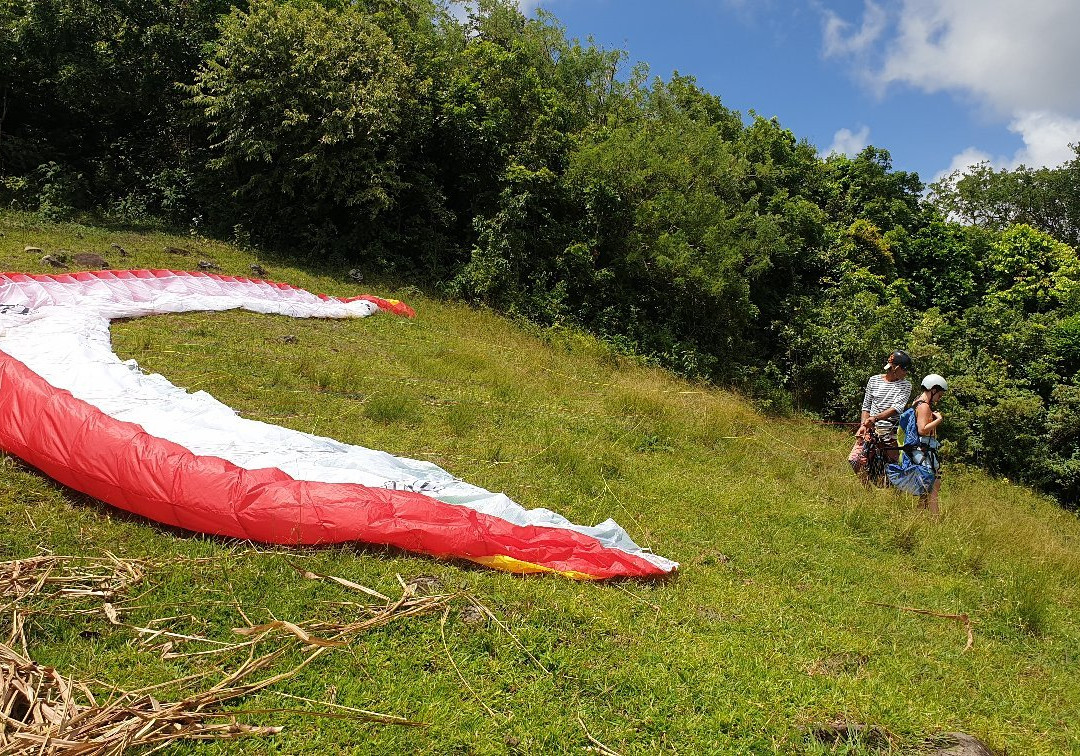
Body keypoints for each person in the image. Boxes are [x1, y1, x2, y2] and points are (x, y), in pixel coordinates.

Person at [857, 350, 913, 464]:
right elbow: (866, 406)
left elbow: (896, 408)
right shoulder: (873, 380)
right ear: (895, 368)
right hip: (871, 429)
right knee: (856, 460)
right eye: (904, 369)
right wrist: (864, 426)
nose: (906, 373)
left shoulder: (906, 385)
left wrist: (875, 418)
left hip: (891, 431)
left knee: (892, 465)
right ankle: (866, 482)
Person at [912, 374, 947, 515]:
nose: (940, 397)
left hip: (924, 450)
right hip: (925, 449)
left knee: (929, 487)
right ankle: (935, 520)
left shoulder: (917, 402)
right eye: (940, 393)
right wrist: (938, 419)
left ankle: (919, 517)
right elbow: (922, 429)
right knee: (933, 487)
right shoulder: (924, 406)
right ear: (933, 389)